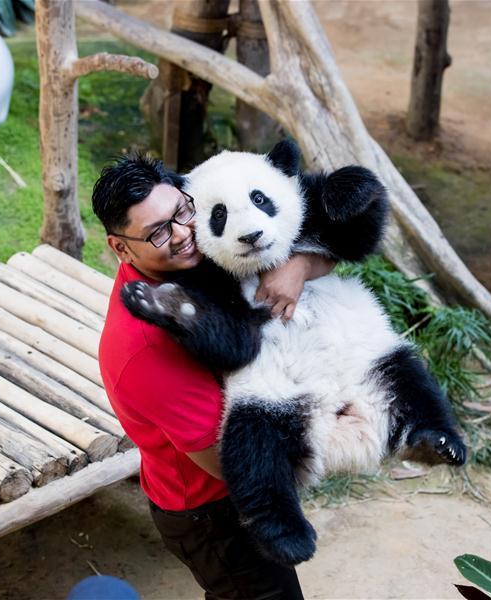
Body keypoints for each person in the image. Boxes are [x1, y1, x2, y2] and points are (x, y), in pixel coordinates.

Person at [92, 154, 334, 600]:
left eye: (182, 212)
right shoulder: (147, 346)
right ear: (120, 247)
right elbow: (225, 462)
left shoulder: (195, 249)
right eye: (158, 232)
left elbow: (332, 248)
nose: (183, 234)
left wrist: (295, 268)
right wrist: (324, 443)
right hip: (215, 511)